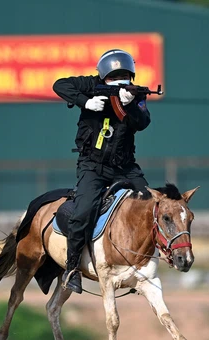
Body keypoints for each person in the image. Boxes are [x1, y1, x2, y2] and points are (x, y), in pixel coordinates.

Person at [52, 49, 152, 293]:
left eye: (125, 76)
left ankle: (142, 264)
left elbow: (143, 123)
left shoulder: (135, 95)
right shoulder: (90, 84)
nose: (120, 81)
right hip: (92, 166)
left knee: (150, 205)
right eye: (114, 76)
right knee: (83, 211)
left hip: (126, 168)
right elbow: (60, 85)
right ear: (104, 76)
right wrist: (85, 101)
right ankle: (72, 268)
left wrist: (130, 107)